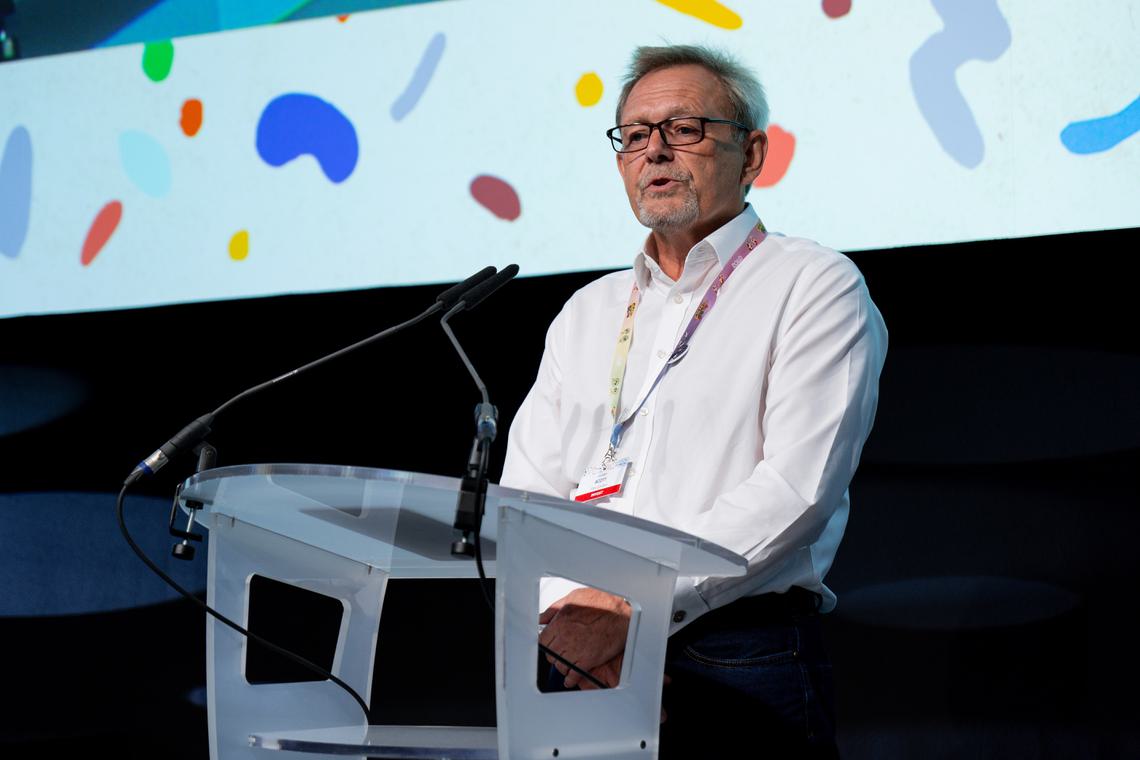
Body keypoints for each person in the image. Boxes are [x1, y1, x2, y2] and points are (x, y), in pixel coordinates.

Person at [500, 44, 887, 758]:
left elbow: (796, 486)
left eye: (685, 129)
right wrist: (572, 616)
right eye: (636, 135)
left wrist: (635, 606)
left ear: (753, 153)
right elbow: (528, 494)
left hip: (734, 649)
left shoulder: (814, 284)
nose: (655, 152)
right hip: (574, 652)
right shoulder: (589, 310)